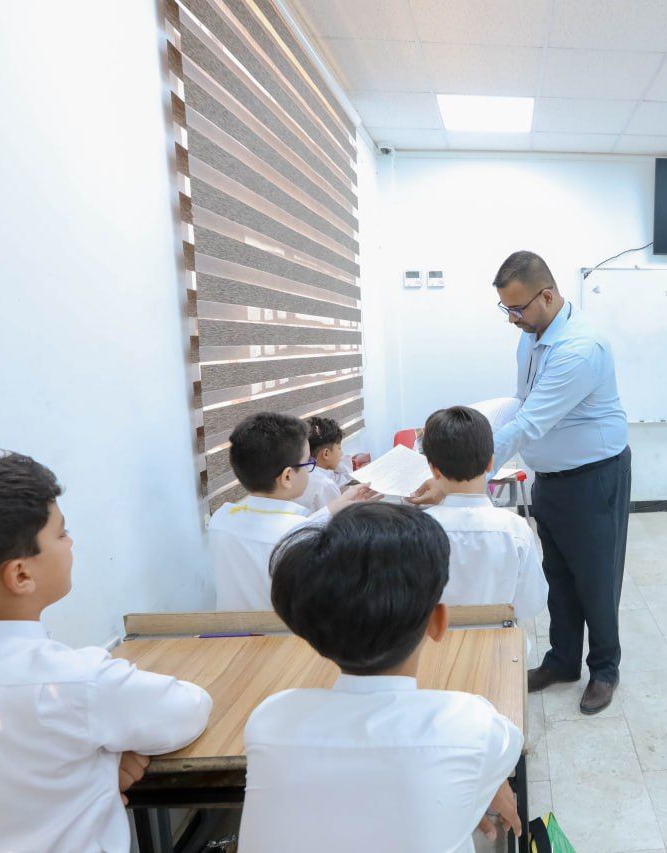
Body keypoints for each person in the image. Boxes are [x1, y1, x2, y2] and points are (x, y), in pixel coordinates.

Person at [0, 452, 212, 851]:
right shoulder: (77, 682)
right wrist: (104, 761)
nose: (71, 542)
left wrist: (91, 767)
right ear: (21, 574)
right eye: (61, 533)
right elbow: (189, 709)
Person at [409, 251, 630, 716]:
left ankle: (604, 669)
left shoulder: (579, 349)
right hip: (551, 476)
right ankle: (562, 661)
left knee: (596, 578)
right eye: (505, 308)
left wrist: (459, 475)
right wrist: (462, 426)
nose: (512, 318)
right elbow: (521, 402)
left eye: (517, 308)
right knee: (559, 574)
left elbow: (529, 423)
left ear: (546, 296)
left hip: (594, 478)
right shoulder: (532, 337)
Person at [239, 503, 523, 852]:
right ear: (438, 622)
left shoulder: (270, 720)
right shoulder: (471, 724)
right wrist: (483, 785)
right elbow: (504, 751)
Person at [209, 412, 375, 610]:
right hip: (285, 629)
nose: (310, 469)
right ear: (287, 477)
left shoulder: (221, 519)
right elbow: (295, 534)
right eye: (308, 463)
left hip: (232, 629)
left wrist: (335, 506)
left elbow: (284, 530)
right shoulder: (302, 538)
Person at [422, 406, 547, 622]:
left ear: (434, 469)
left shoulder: (418, 529)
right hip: (500, 640)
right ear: (491, 462)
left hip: (436, 639)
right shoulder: (516, 530)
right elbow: (532, 604)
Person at [296, 416, 344, 512]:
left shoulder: (298, 474)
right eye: (339, 448)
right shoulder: (326, 485)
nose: (341, 453)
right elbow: (337, 517)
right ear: (326, 454)